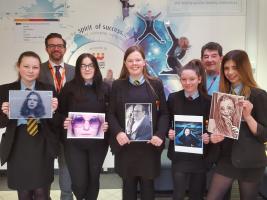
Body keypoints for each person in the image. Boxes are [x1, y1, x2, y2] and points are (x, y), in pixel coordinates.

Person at [108, 45, 169, 200]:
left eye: (138, 60)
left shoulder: (156, 84)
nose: (134, 63)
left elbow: (164, 114)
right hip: (126, 147)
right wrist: (118, 132)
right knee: (128, 188)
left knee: (148, 188)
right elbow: (111, 114)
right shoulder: (117, 85)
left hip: (149, 147)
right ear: (125, 63)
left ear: (144, 62)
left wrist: (160, 134)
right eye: (130, 60)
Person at [207, 50, 267, 200]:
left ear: (244, 68)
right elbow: (219, 129)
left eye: (235, 67)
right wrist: (214, 137)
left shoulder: (258, 95)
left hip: (251, 161)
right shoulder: (223, 95)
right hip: (227, 158)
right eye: (226, 68)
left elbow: (265, 135)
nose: (230, 72)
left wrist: (247, 116)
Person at [0, 51, 59, 200]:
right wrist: (5, 114)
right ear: (18, 67)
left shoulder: (48, 89)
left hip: (42, 144)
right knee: (24, 193)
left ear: (40, 69)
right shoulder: (5, 90)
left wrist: (53, 112)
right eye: (26, 66)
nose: (31, 71)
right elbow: (1, 123)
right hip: (17, 145)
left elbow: (57, 122)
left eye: (35, 67)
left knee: (42, 193)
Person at [58, 53, 110, 200]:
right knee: (79, 182)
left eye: (90, 65)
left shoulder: (105, 88)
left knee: (94, 178)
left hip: (98, 144)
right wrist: (64, 121)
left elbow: (112, 113)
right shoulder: (69, 88)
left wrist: (108, 124)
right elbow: (59, 113)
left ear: (96, 67)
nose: (87, 68)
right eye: (83, 65)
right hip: (74, 144)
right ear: (78, 68)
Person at [167, 59, 212, 200]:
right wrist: (169, 132)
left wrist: (208, 136)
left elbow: (213, 127)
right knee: (178, 194)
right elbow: (166, 120)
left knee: (197, 194)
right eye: (184, 79)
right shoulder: (173, 98)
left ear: (199, 79)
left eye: (192, 79)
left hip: (200, 157)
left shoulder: (209, 101)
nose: (188, 83)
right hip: (179, 156)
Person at [38, 32, 75, 200]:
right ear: (46, 49)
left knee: (67, 168)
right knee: (42, 169)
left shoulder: (75, 71)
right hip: (44, 128)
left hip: (69, 128)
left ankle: (66, 197)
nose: (56, 48)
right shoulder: (37, 70)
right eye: (52, 45)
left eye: (59, 45)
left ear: (65, 49)